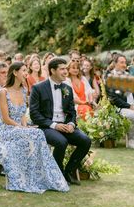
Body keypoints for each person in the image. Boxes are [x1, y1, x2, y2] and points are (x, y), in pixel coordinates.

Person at [0, 62, 69, 193]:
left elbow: (23, 115)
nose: (26, 73)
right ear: (15, 73)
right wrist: (22, 128)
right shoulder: (3, 92)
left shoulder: (23, 90)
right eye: (23, 70)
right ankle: (33, 178)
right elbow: (5, 118)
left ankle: (41, 177)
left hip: (20, 129)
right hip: (6, 130)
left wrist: (24, 127)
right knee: (37, 133)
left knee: (36, 133)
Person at [30, 57, 91, 185]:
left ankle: (68, 171)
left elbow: (71, 112)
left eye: (65, 69)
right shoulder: (38, 88)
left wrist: (71, 124)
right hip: (46, 127)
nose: (65, 72)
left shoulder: (67, 88)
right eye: (62, 69)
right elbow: (34, 114)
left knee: (85, 140)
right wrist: (54, 125)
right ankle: (57, 175)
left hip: (65, 126)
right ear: (52, 70)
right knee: (61, 142)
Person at [106, 54, 134, 149]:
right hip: (117, 108)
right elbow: (113, 99)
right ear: (115, 64)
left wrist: (133, 106)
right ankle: (131, 139)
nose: (124, 65)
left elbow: (132, 94)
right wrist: (130, 106)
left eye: (125, 62)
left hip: (130, 106)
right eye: (121, 62)